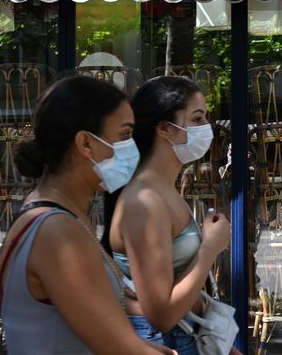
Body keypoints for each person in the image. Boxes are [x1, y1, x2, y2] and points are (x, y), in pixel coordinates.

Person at [0, 76, 174, 355]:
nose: (132, 149)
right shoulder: (58, 231)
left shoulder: (59, 218)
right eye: (125, 135)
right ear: (85, 143)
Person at [103, 76, 236, 355]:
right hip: (169, 341)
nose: (206, 128)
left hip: (187, 335)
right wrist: (211, 247)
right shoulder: (145, 201)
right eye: (197, 118)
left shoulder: (161, 190)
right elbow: (161, 315)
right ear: (165, 129)